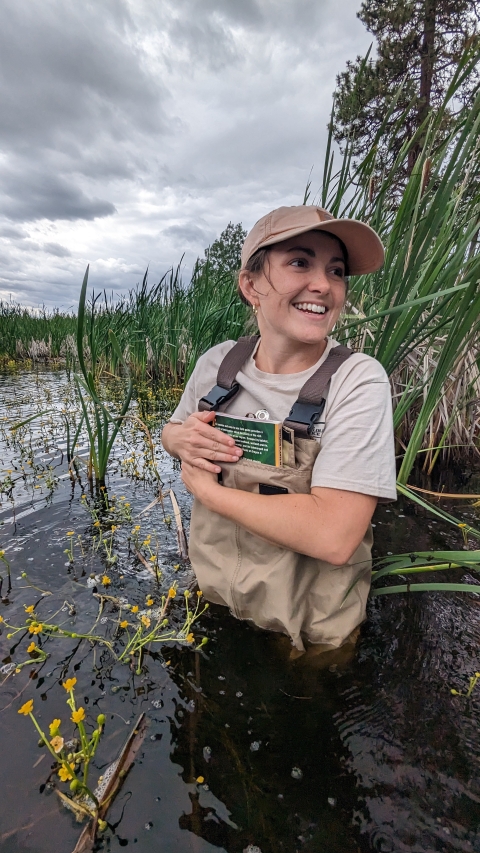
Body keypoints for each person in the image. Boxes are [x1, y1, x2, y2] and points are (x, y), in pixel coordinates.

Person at [161, 205, 396, 657]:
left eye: (336, 270)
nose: (324, 285)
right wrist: (178, 439)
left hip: (308, 633)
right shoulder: (218, 363)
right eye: (299, 262)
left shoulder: (358, 380)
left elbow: (335, 536)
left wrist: (210, 495)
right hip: (214, 601)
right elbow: (173, 430)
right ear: (251, 285)